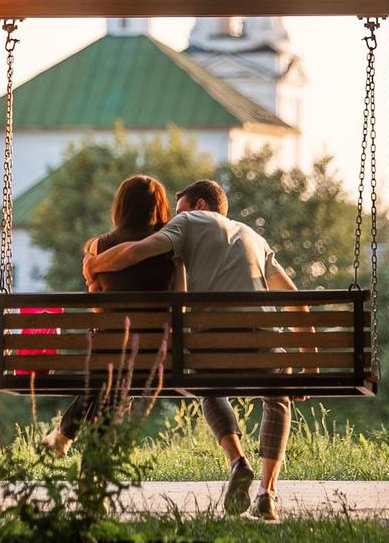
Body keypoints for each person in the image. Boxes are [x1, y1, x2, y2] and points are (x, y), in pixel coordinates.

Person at [83, 179, 303, 522]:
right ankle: (267, 493)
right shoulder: (255, 237)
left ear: (200, 206)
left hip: (212, 345)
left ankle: (237, 461)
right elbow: (296, 304)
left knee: (206, 386)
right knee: (278, 396)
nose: (172, 220)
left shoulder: (187, 223)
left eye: (180, 210)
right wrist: (309, 362)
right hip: (266, 345)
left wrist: (96, 264)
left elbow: (136, 251)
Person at [42, 174, 176, 456]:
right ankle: (70, 440)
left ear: (121, 207)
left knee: (109, 369)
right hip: (157, 356)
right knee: (113, 381)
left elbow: (98, 309)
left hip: (112, 352)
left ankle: (66, 437)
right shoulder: (170, 245)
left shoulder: (100, 246)